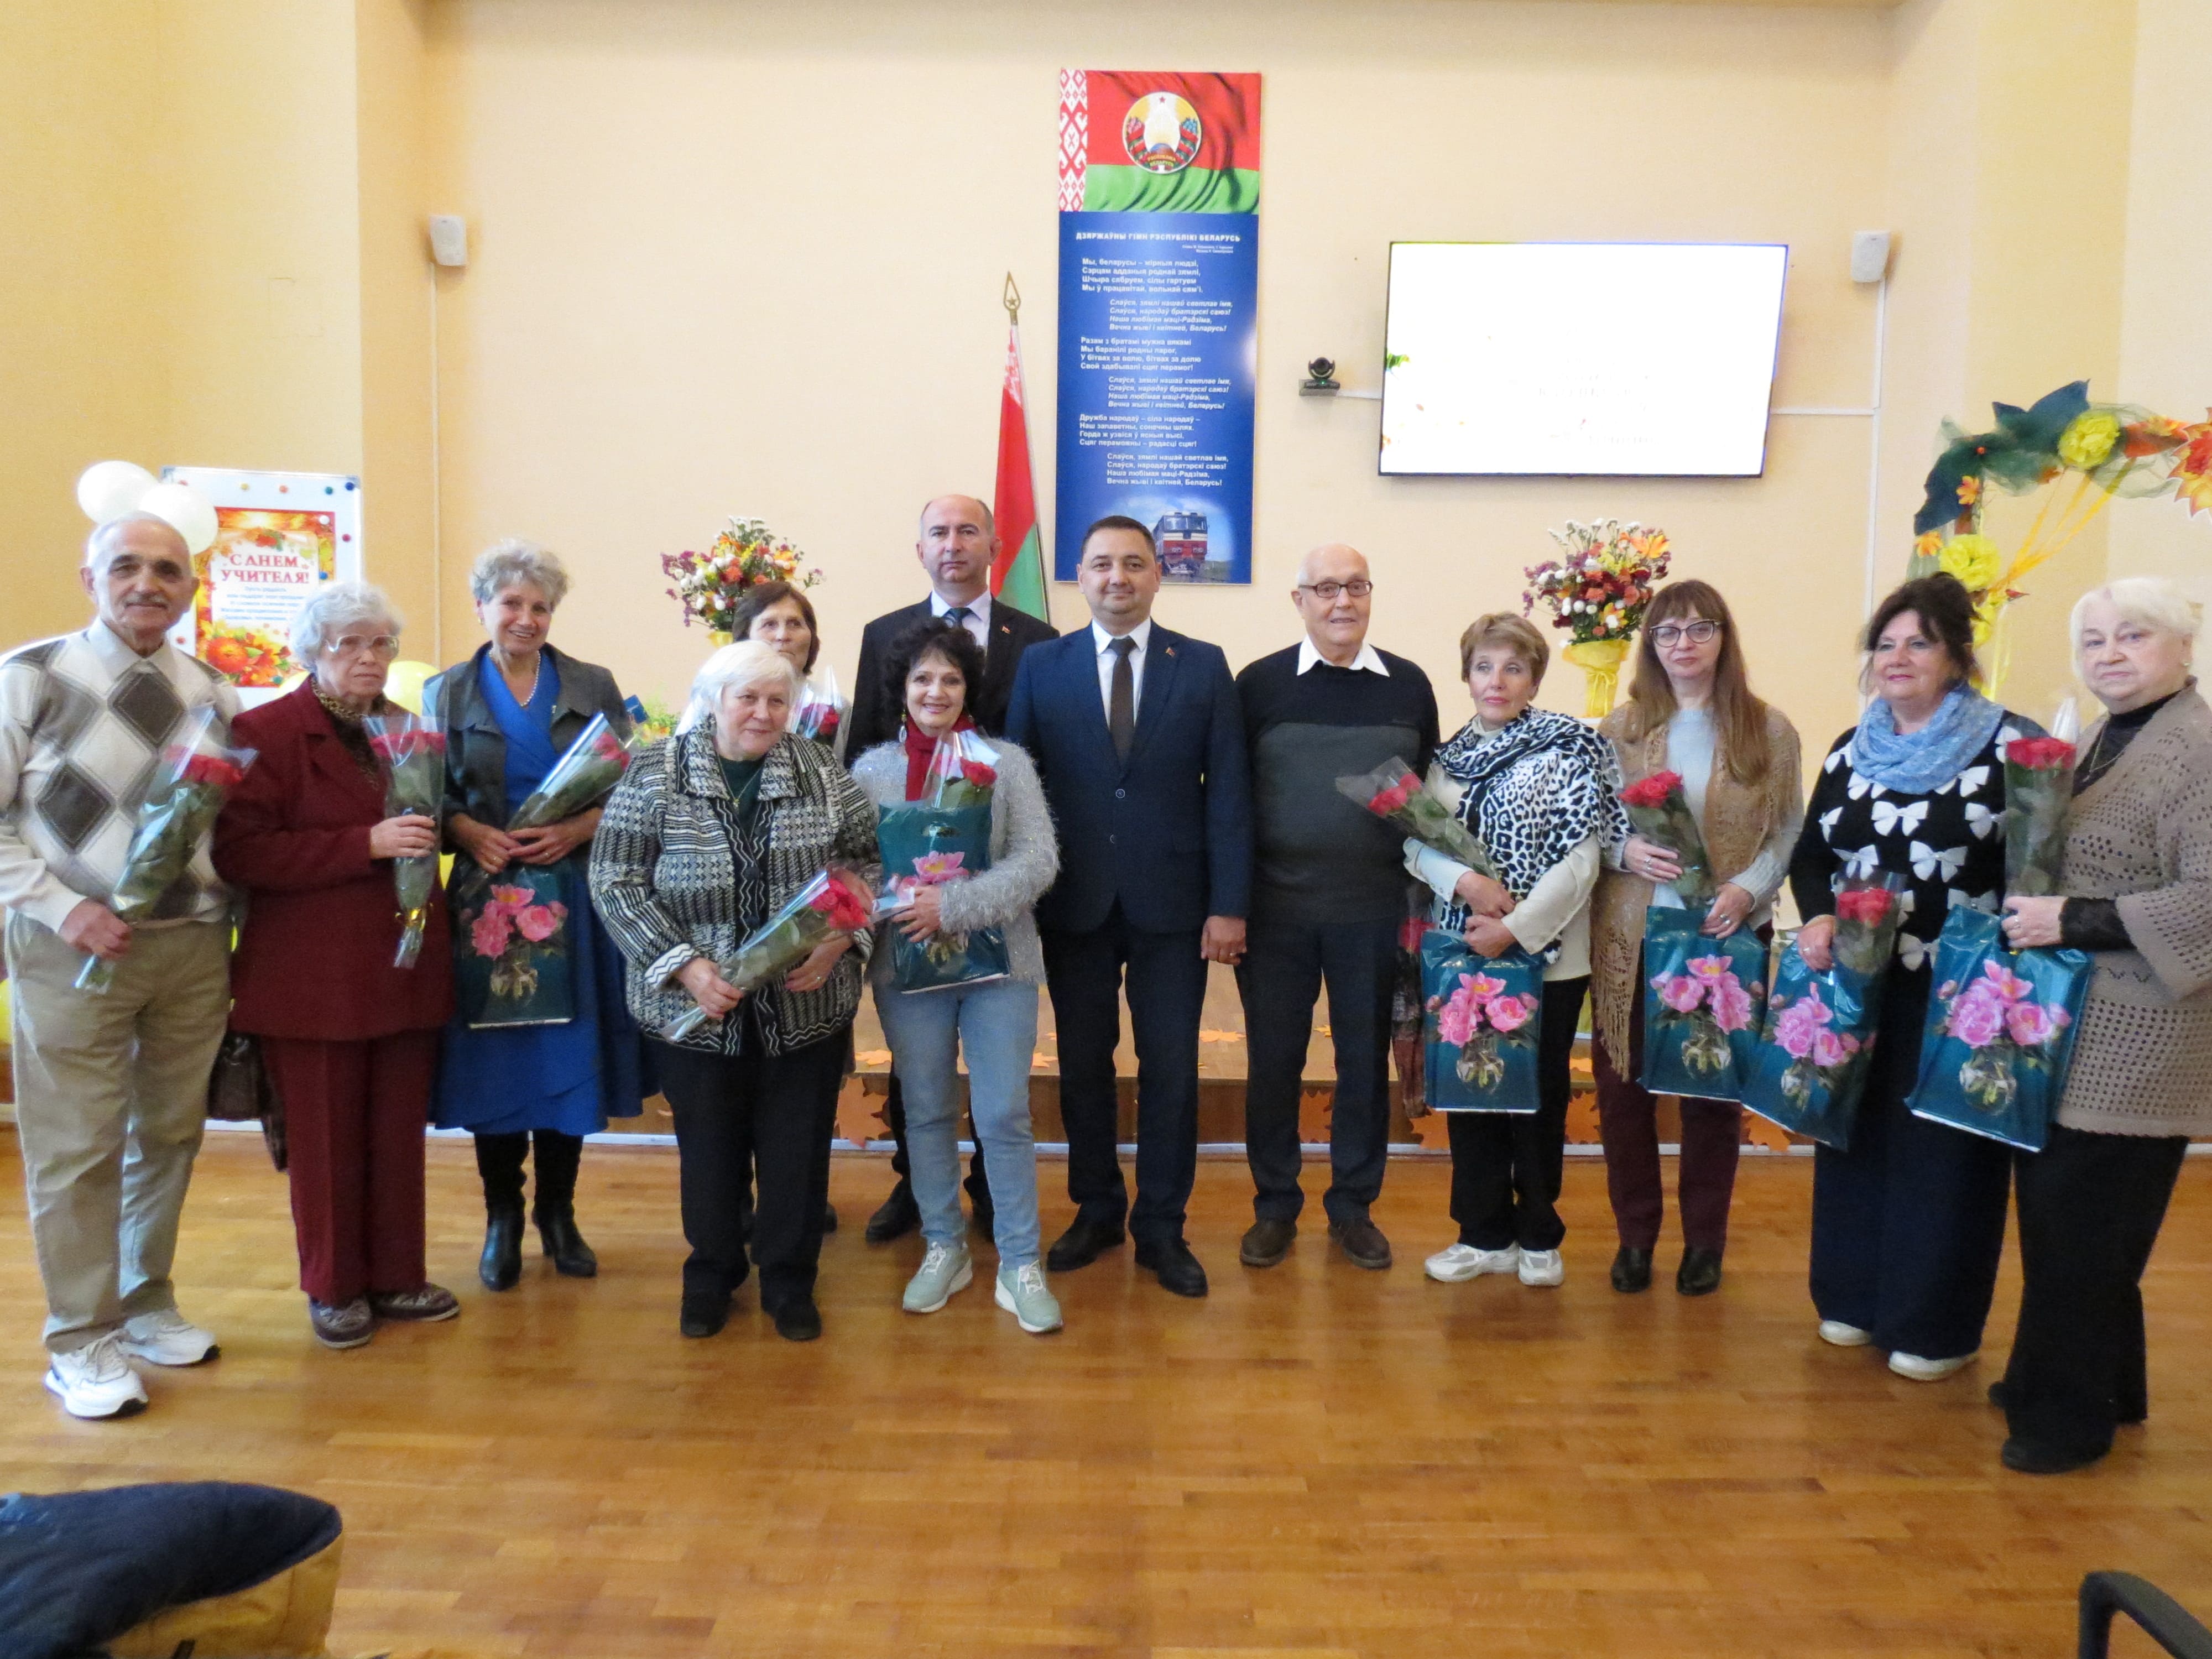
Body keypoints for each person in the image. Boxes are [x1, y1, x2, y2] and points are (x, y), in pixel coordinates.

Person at [1, 515, 238, 1418]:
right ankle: (80, 1339)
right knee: (76, 1148)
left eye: (168, 570)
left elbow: (226, 829)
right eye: (127, 566)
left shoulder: (215, 691)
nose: (148, 583)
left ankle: (145, 1304)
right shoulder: (30, 676)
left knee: (169, 1135)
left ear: (190, 589)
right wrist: (65, 908)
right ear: (89, 578)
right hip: (67, 948)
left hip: (191, 948)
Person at [1788, 572, 2041, 1382]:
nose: (1897, 658)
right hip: (1861, 987)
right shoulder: (1850, 745)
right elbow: (1811, 855)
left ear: (1958, 656)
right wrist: (1818, 916)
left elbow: (2039, 866)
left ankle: (1934, 1325)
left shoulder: (2013, 746)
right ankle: (1852, 1297)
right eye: (1886, 644)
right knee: (1853, 1135)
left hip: (1964, 994)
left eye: (1919, 643)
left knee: (1945, 1156)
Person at [589, 641, 878, 1342]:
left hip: (805, 1004)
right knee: (709, 1152)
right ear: (713, 701)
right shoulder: (656, 771)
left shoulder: (819, 769)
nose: (762, 713)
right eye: (746, 698)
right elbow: (615, 880)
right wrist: (685, 965)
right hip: (695, 1009)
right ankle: (711, 1275)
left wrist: (842, 938)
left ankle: (789, 1280)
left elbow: (868, 863)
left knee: (796, 1154)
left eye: (777, 700)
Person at [1991, 577, 2211, 1474]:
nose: (2110, 654)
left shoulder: (2197, 749)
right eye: (2094, 640)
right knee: (2079, 1221)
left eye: (2133, 636)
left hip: (2145, 1032)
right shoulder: (2099, 735)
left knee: (2080, 1223)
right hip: (2081, 1020)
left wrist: (2070, 919)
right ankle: (2106, 1384)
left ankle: (2065, 1419)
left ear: (2183, 647)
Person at [1005, 515, 1251, 1298]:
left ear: (1157, 575)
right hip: (1072, 904)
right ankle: (1097, 1209)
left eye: (1135, 564)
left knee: (1171, 1070)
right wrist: (1016, 895)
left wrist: (1229, 904)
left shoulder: (1203, 665)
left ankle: (1163, 1226)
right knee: (1083, 1066)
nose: (1118, 577)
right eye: (1103, 563)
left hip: (1174, 907)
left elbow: (1229, 793)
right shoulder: (1042, 665)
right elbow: (1018, 789)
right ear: (1081, 575)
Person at [216, 581, 461, 1350]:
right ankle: (333, 1286)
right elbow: (240, 853)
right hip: (313, 980)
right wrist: (365, 844)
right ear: (312, 653)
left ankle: (397, 1275)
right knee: (325, 1143)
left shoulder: (410, 730)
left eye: (380, 643)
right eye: (348, 643)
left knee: (396, 1135)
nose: (368, 657)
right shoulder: (264, 731)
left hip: (402, 965)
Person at [425, 540, 650, 1293]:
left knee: (563, 1057)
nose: (526, 618)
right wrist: (466, 831)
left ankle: (559, 1213)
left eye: (540, 607)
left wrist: (579, 829)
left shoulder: (591, 683)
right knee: (498, 1063)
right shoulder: (445, 692)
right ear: (482, 606)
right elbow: (423, 794)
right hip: (487, 899)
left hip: (572, 896)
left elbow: (632, 788)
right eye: (511, 604)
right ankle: (502, 1218)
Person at [849, 494, 1057, 1245]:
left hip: (999, 949)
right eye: (938, 531)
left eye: (968, 530)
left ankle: (1013, 1241)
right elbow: (853, 858)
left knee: (1002, 1111)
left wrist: (956, 906)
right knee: (925, 1104)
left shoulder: (1006, 755)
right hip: (905, 955)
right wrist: (894, 904)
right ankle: (935, 1226)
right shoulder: (872, 767)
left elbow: (1036, 852)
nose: (934, 692)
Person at [1590, 581, 1803, 1297]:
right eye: (1668, 631)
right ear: (1650, 644)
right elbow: (1593, 824)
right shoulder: (1619, 730)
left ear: (1723, 637)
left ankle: (1704, 1241)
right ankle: (1635, 1237)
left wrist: (1750, 888)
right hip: (1633, 937)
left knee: (1712, 1094)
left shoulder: (1768, 730)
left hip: (1725, 933)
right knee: (1623, 1094)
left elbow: (1789, 828)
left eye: (1699, 628)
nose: (1683, 644)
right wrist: (1624, 852)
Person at [1234, 544, 1438, 1271]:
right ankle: (1274, 1206)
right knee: (1274, 1063)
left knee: (1363, 1063)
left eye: (1355, 586)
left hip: (1374, 911)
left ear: (1371, 594)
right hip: (1275, 913)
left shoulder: (1409, 686)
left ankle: (1353, 1207)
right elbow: (1229, 800)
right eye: (1325, 588)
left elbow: (1426, 802)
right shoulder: (1258, 685)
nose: (1342, 602)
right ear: (1299, 601)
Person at [1411, 614, 1625, 1290]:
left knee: (1537, 1094)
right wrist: (1464, 882)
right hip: (1464, 949)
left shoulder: (1570, 747)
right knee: (1471, 1088)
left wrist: (1517, 929)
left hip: (1548, 958)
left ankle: (1538, 1233)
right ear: (1466, 675)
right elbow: (1415, 844)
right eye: (1483, 666)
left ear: (1534, 678)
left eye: (1513, 668)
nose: (1496, 681)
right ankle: (1481, 1234)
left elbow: (1582, 859)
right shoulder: (1445, 760)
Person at [723, 579, 849, 760]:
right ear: (745, 637)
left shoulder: (834, 706)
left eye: (794, 624)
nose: (782, 636)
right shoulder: (723, 697)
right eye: (769, 624)